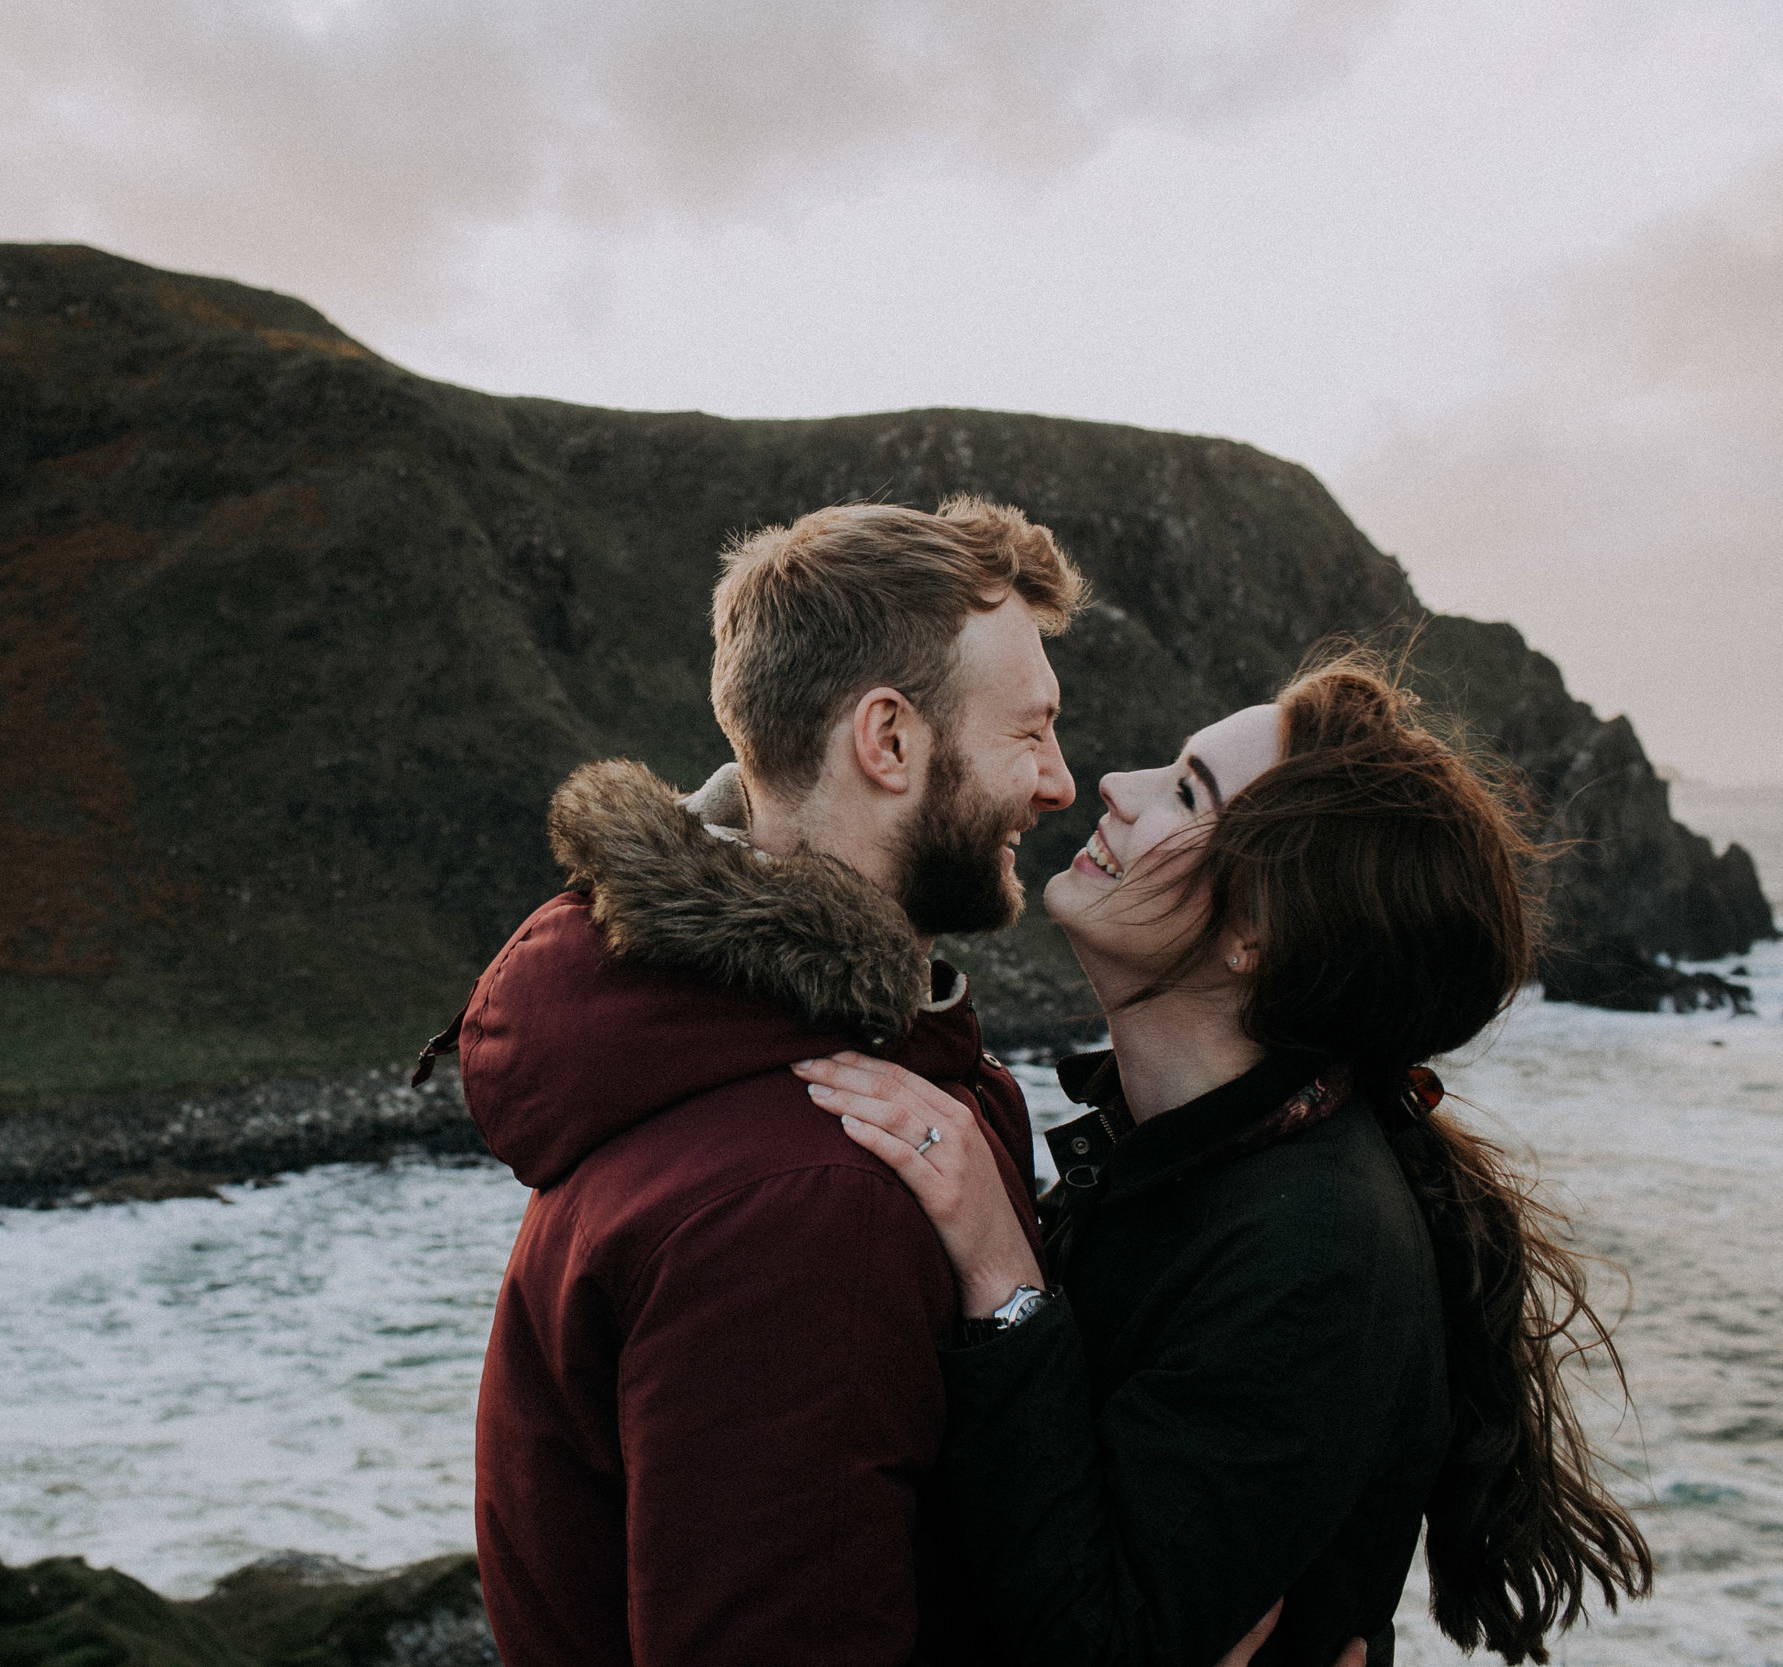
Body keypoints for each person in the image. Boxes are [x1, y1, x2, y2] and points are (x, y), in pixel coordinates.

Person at [797, 651, 1655, 1667]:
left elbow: (1100, 1640)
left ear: (1256, 928)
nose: (1114, 785)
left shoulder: (1315, 1247)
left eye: (1187, 789)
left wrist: (1005, 1279)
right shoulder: (1182, 1160)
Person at [436, 498, 1080, 1665]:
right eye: (1030, 732)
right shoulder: (806, 1197)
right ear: (887, 740)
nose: (1059, 783)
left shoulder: (732, 1051)